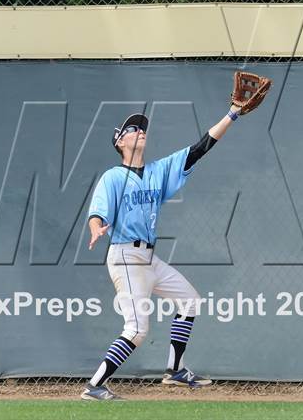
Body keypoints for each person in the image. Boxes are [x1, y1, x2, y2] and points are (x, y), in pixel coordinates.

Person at [81, 103, 242, 401]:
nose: (140, 131)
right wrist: (95, 226)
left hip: (148, 260)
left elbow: (200, 148)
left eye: (142, 128)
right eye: (132, 129)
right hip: (126, 258)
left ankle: (175, 370)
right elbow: (97, 213)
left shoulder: (157, 172)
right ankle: (94, 386)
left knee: (190, 301)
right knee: (137, 329)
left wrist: (231, 114)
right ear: (119, 142)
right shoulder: (113, 177)